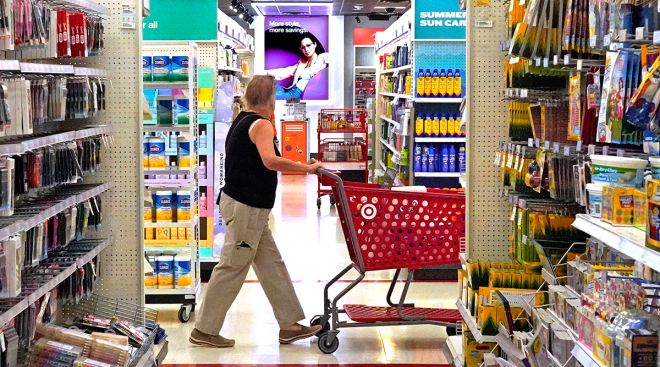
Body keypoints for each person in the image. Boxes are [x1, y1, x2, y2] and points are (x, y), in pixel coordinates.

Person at [189, 75, 324, 348]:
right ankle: (204, 330)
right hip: (246, 207)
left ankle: (289, 325)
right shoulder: (261, 125)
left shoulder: (241, 119)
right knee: (232, 266)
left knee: (271, 265)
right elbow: (269, 160)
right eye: (275, 94)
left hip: (246, 206)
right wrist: (305, 168)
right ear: (269, 98)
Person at [266, 32, 330, 100]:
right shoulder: (302, 63)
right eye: (303, 47)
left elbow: (336, 65)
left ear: (315, 44)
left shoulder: (323, 57)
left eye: (308, 45)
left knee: (269, 98)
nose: (306, 49)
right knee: (266, 86)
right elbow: (284, 72)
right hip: (290, 91)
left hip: (297, 96)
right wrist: (262, 73)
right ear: (301, 49)